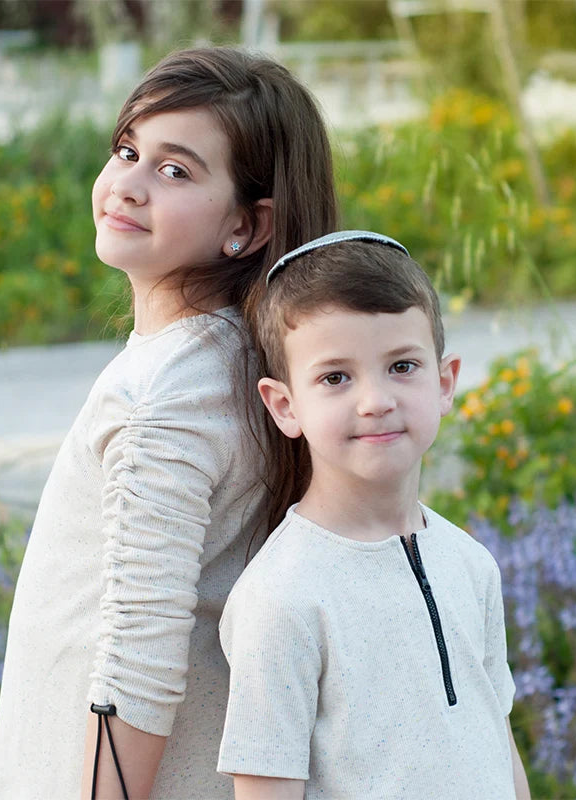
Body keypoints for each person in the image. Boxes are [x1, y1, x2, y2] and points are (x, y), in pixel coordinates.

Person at [0, 47, 337, 800]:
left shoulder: (164, 394)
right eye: (127, 150)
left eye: (175, 171)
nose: (129, 185)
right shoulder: (249, 362)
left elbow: (137, 659)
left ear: (247, 225)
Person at [217, 231, 532, 800]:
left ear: (444, 383)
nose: (375, 400)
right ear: (285, 406)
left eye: (402, 366)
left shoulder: (470, 563)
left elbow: (496, 742)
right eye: (335, 377)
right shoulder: (281, 596)